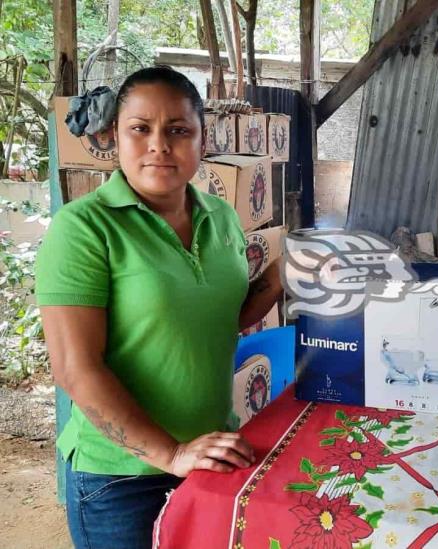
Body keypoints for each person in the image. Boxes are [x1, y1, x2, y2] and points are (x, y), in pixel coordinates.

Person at [36, 66, 283, 549]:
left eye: (178, 130)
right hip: (122, 479)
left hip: (209, 456)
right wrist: (170, 454)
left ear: (201, 139)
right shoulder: (84, 228)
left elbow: (218, 321)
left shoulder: (222, 217)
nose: (159, 145)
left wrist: (284, 274)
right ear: (114, 136)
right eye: (140, 128)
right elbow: (74, 367)